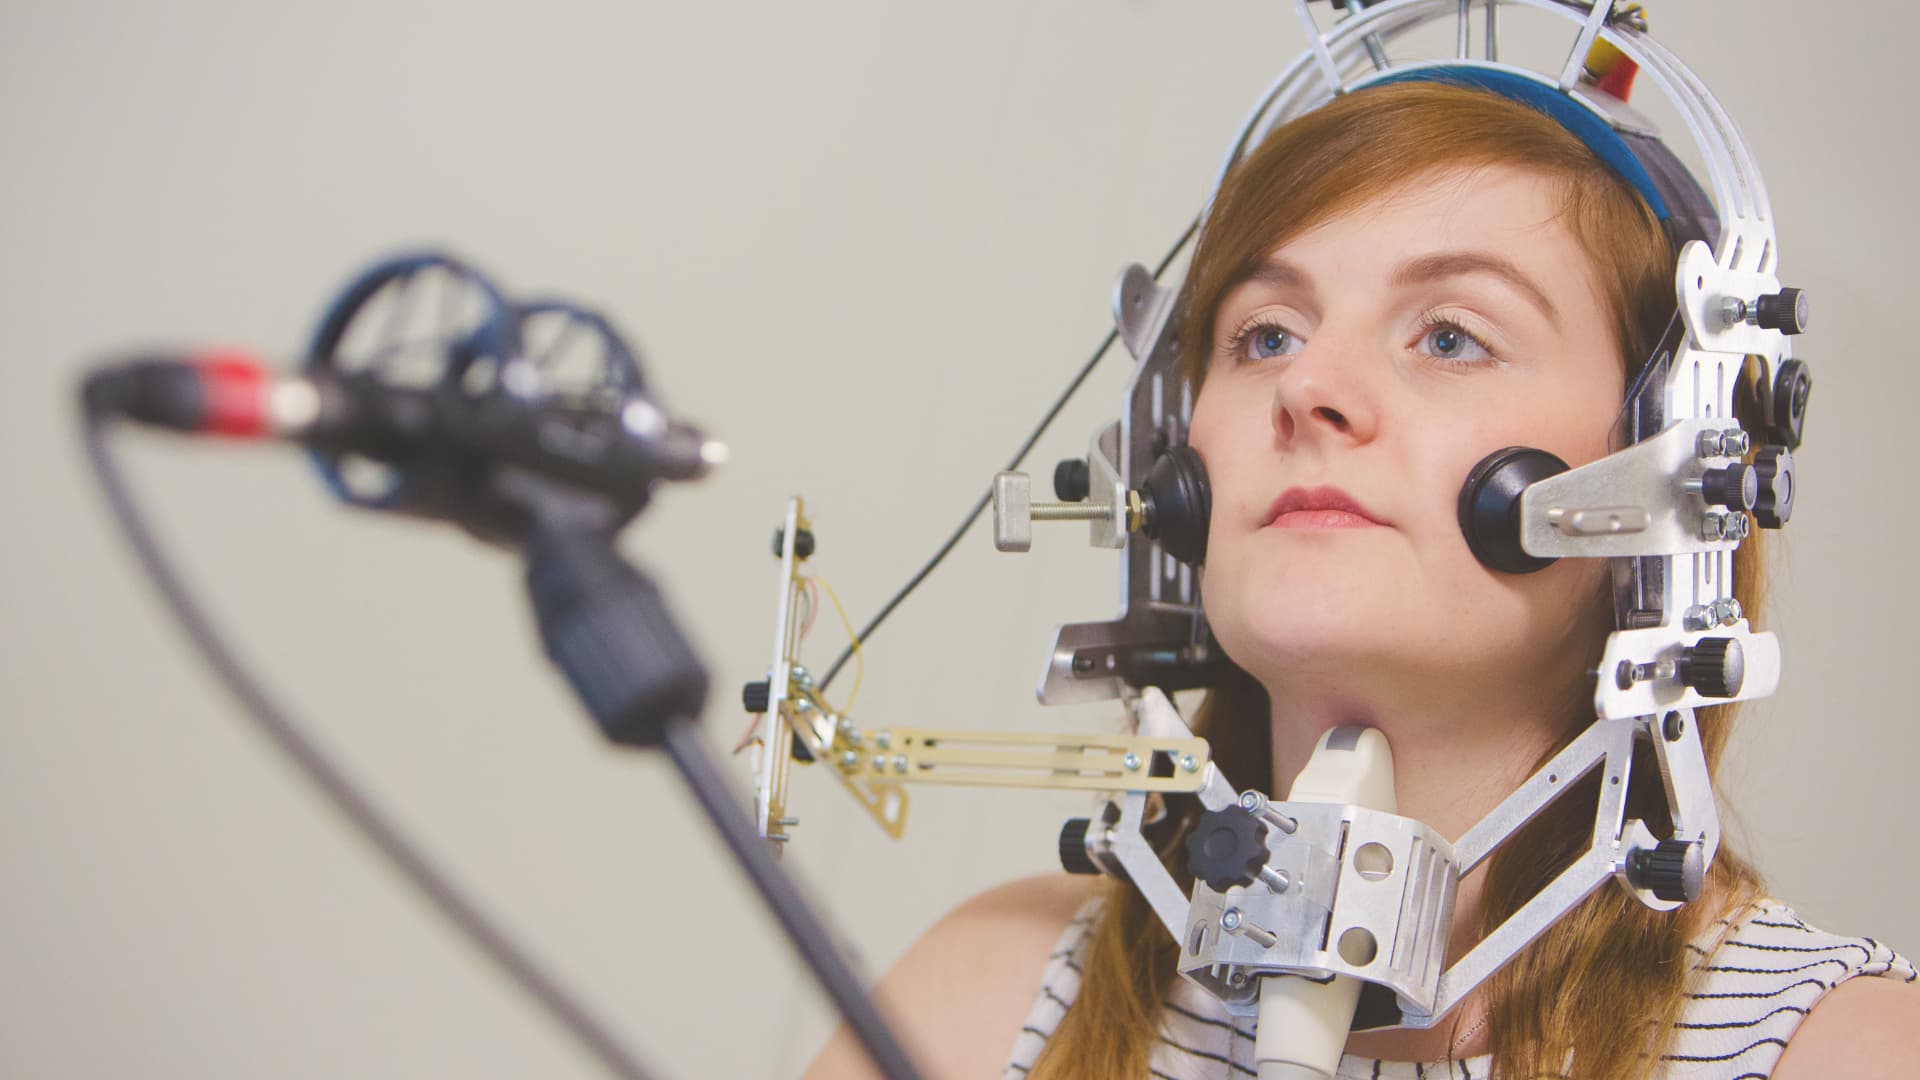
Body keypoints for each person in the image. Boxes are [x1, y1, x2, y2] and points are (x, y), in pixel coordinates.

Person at [805, 79, 1919, 1079]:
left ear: (1670, 460)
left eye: (1448, 337)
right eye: (1266, 335)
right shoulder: (980, 1004)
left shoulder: (1848, 1051)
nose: (1310, 390)